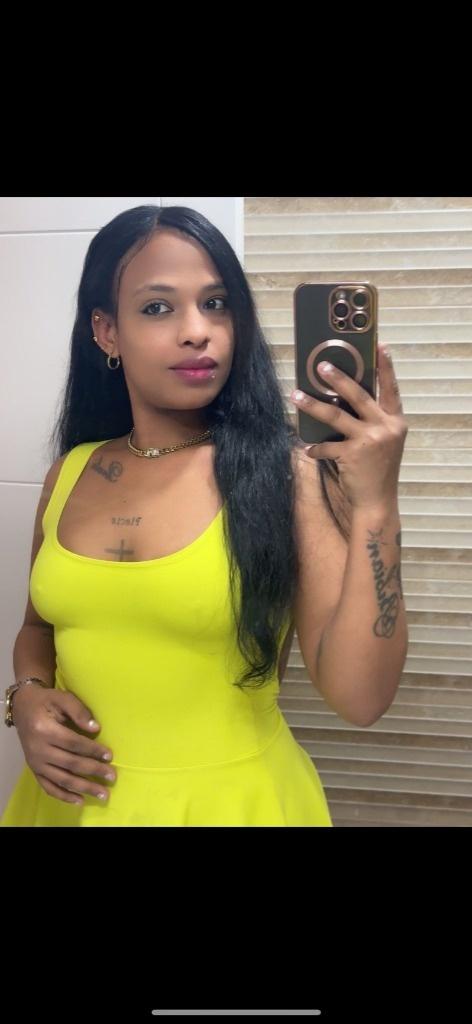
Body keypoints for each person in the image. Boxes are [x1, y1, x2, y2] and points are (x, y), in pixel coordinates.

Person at [0, 204, 408, 826]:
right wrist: (26, 698)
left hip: (231, 805)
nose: (198, 331)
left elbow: (362, 699)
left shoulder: (286, 477)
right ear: (106, 332)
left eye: (216, 303)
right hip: (65, 807)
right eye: (158, 307)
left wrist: (376, 502)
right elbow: (38, 629)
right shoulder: (72, 472)